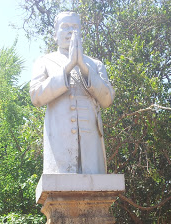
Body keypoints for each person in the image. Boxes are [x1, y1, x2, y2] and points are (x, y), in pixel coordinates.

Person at [30, 11, 115, 174]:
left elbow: (107, 99)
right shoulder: (45, 61)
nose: (70, 31)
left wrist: (83, 67)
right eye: (65, 27)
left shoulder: (95, 64)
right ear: (55, 34)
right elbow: (36, 96)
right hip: (59, 144)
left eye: (75, 27)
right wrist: (68, 66)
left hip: (91, 147)